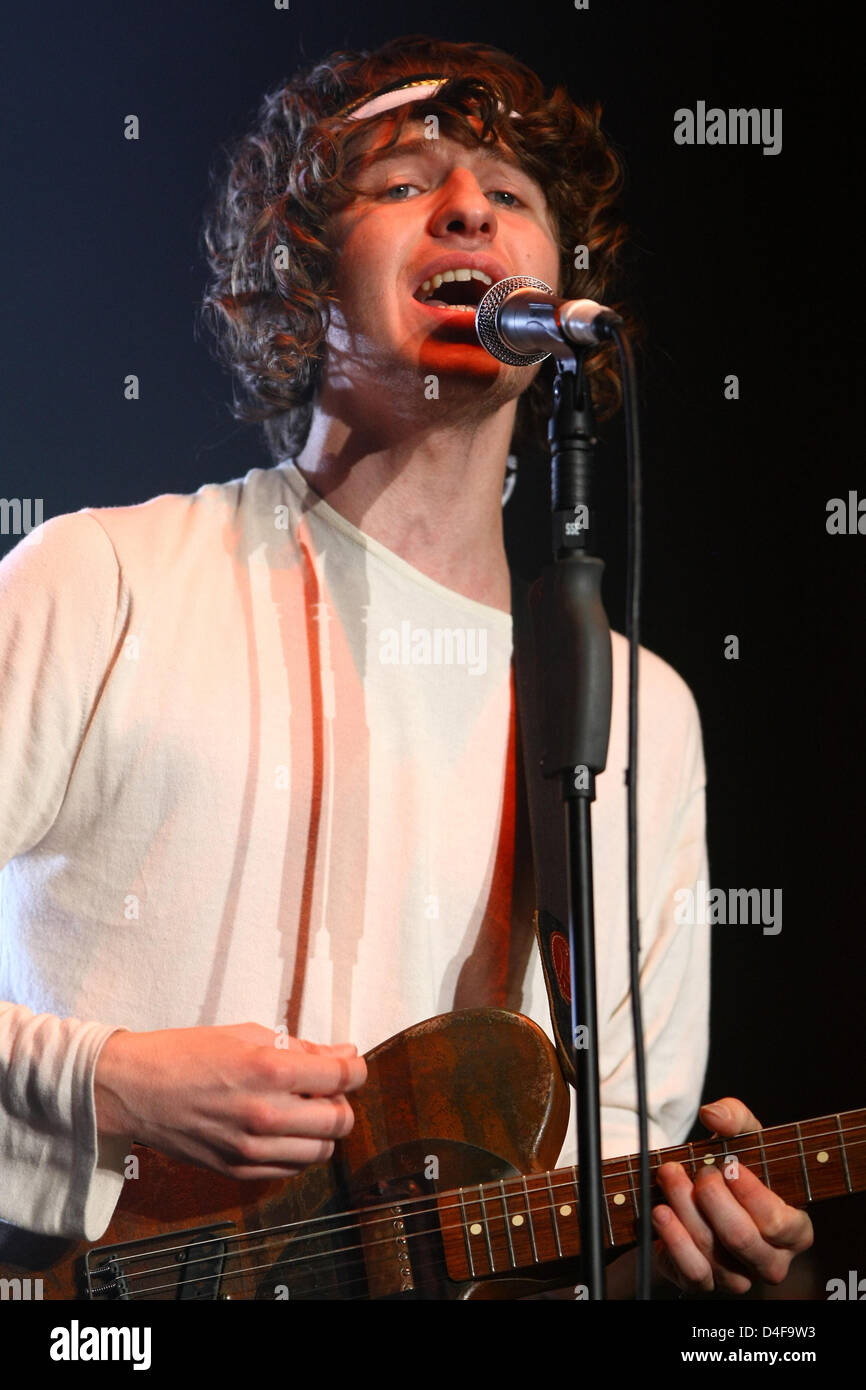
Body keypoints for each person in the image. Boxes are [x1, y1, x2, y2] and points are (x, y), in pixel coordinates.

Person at [0, 34, 811, 1297]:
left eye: (513, 195)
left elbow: (618, 1159)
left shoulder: (637, 710)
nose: (470, 205)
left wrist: (742, 1284)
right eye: (403, 180)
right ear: (302, 273)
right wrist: (105, 1084)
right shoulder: (98, 579)